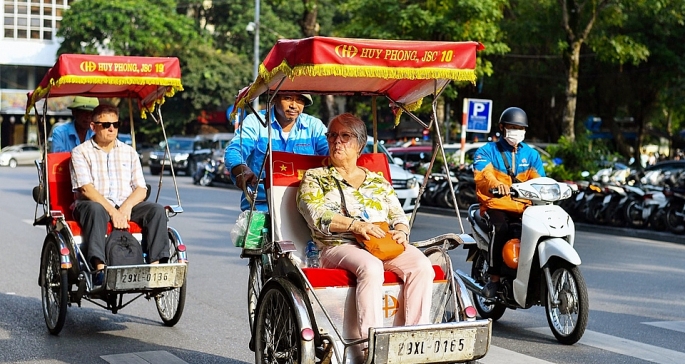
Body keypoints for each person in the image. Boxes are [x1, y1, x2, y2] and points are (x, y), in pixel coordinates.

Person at [297, 113, 434, 343]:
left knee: (422, 266)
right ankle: (370, 344)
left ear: (360, 144)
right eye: (332, 135)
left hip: (381, 243)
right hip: (338, 245)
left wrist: (401, 230)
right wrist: (356, 226)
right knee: (371, 267)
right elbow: (316, 215)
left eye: (345, 136)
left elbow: (398, 214)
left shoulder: (377, 180)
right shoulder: (315, 177)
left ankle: (412, 339)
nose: (336, 141)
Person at [70, 104, 169, 285]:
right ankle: (99, 268)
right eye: (106, 124)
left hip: (125, 204)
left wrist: (125, 207)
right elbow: (86, 189)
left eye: (115, 124)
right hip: (92, 204)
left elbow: (141, 188)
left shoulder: (129, 152)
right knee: (96, 209)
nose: (111, 129)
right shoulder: (80, 152)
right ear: (93, 126)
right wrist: (112, 211)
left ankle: (156, 269)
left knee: (156, 210)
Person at [472, 107, 546, 298]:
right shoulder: (486, 151)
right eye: (512, 127)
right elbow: (483, 175)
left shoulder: (531, 155)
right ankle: (494, 279)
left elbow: (540, 180)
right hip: (495, 205)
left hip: (523, 206)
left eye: (520, 128)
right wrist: (496, 184)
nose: (516, 131)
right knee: (501, 228)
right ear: (502, 128)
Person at [225, 93, 329, 211]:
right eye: (288, 98)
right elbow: (234, 150)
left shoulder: (314, 126)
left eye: (300, 100)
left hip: (304, 206)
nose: (294, 105)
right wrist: (243, 170)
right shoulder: (255, 122)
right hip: (262, 205)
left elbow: (330, 153)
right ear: (274, 98)